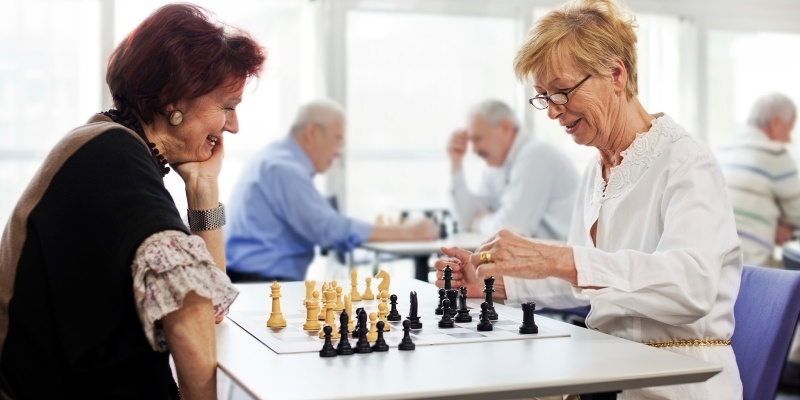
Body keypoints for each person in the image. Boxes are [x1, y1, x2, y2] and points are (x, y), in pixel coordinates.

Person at [434, 0, 743, 398]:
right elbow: (587, 281)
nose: (552, 111)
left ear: (616, 74)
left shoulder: (685, 162)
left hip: (678, 384)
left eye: (561, 91)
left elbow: (692, 289)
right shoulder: (596, 169)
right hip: (610, 371)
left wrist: (557, 258)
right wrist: (495, 284)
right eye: (543, 96)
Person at [0, 4, 264, 398]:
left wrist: (202, 190)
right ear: (175, 98)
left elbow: (210, 307)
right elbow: (194, 306)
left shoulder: (106, 142)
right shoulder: (112, 155)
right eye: (227, 107)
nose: (234, 127)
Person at [224, 99, 438, 282]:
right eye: (337, 139)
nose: (338, 153)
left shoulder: (272, 157)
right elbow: (329, 230)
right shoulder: (284, 169)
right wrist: (407, 232)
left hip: (253, 279)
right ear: (313, 132)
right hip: (263, 285)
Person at [448, 99, 578, 239]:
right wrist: (456, 163)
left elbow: (511, 230)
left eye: (478, 139)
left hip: (562, 255)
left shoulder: (536, 156)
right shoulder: (497, 165)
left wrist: (480, 222)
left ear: (505, 127)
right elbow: (466, 219)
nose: (473, 150)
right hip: (539, 254)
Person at [716, 93, 799, 268]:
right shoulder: (773, 153)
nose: (789, 139)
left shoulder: (725, 149)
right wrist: (784, 225)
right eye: (789, 129)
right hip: (750, 264)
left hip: (716, 262)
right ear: (775, 122)